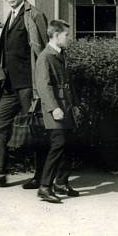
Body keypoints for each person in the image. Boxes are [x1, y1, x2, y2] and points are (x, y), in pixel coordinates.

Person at [0, 0, 48, 189]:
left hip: (29, 85)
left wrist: (42, 84)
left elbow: (43, 52)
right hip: (10, 85)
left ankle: (41, 176)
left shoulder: (34, 15)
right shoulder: (10, 16)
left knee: (36, 130)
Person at [34, 20, 79, 204]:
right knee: (58, 145)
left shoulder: (60, 54)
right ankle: (45, 187)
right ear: (56, 35)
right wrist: (54, 108)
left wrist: (75, 105)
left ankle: (61, 182)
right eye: (66, 35)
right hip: (56, 109)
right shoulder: (45, 56)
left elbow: (68, 83)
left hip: (66, 108)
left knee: (68, 145)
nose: (69, 38)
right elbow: (43, 86)